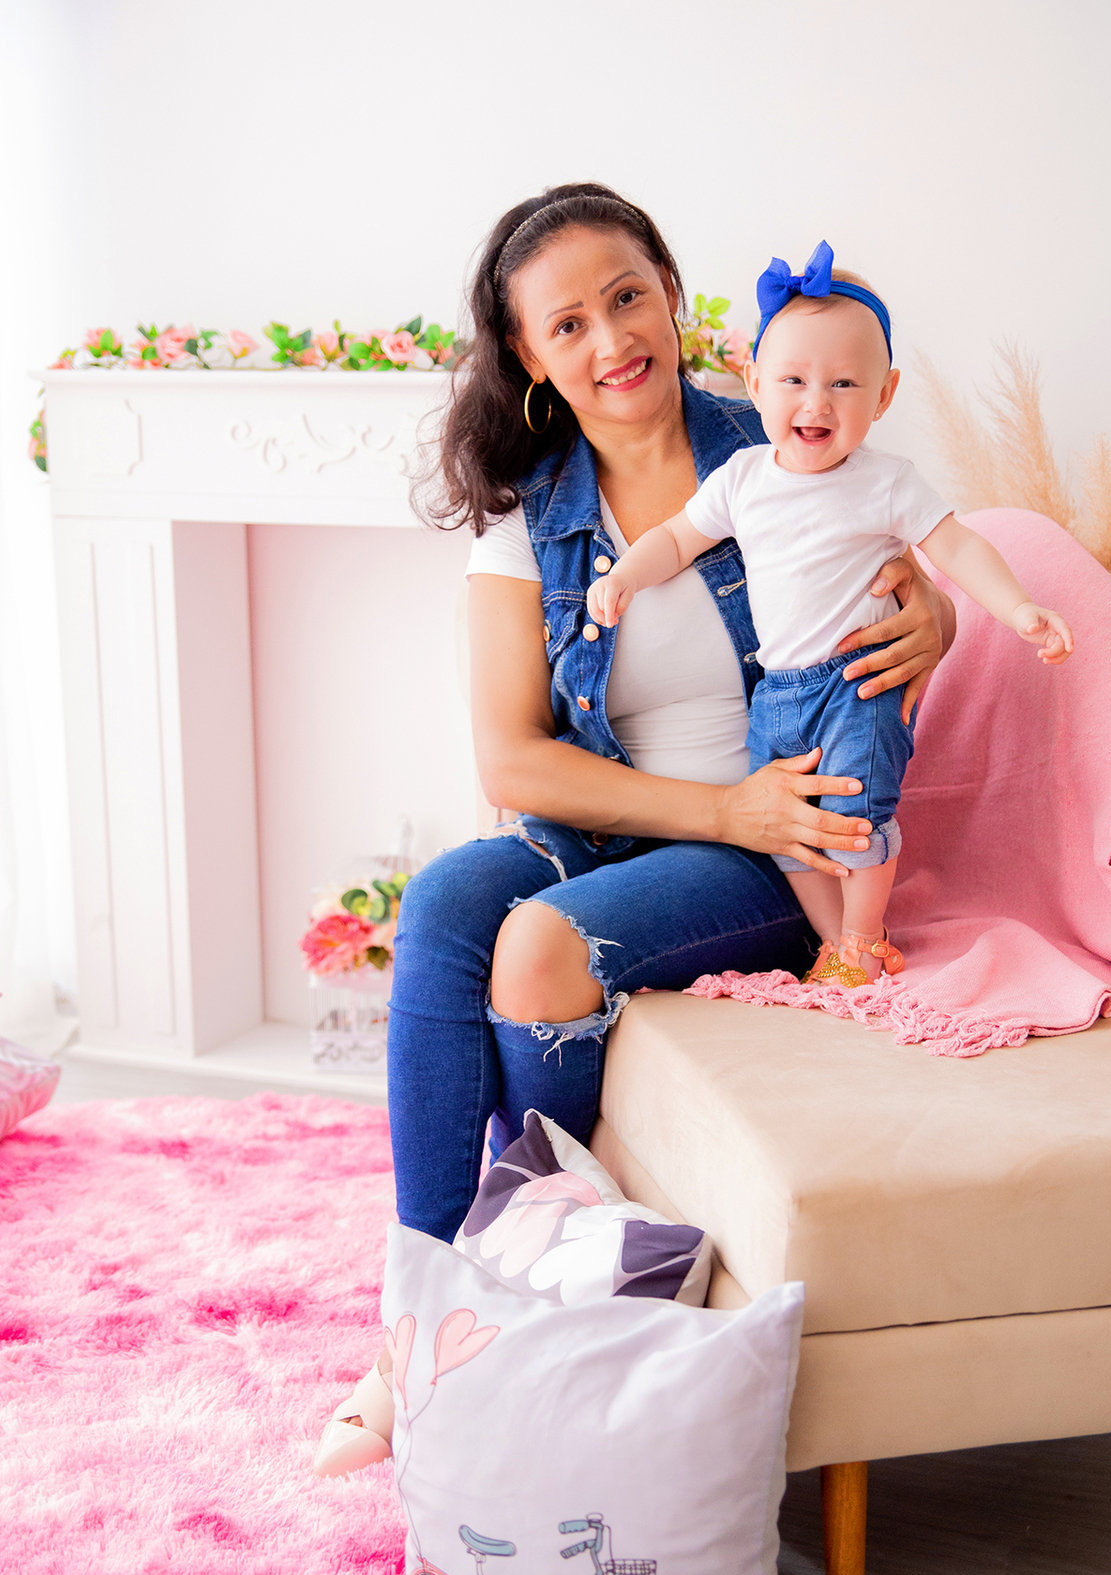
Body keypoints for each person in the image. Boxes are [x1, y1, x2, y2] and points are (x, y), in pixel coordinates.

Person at [314, 184, 956, 1476]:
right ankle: (420, 1326)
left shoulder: (788, 436)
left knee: (539, 950)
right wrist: (715, 802)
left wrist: (934, 619)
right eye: (568, 325)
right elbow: (511, 757)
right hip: (643, 817)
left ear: (671, 291)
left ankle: (529, 1301)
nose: (612, 338)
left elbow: (914, 564)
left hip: (777, 848)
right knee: (446, 903)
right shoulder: (531, 508)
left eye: (626, 295)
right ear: (535, 364)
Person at [587, 241, 1074, 989]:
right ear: (753, 379)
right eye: (793, 380)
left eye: (844, 383)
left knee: (856, 820)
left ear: (884, 395)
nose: (816, 402)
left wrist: (1019, 608)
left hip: (856, 684)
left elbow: (960, 546)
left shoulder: (885, 483)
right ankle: (833, 947)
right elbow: (680, 538)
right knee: (790, 839)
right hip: (775, 693)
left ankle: (862, 935)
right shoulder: (743, 477)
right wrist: (625, 576)